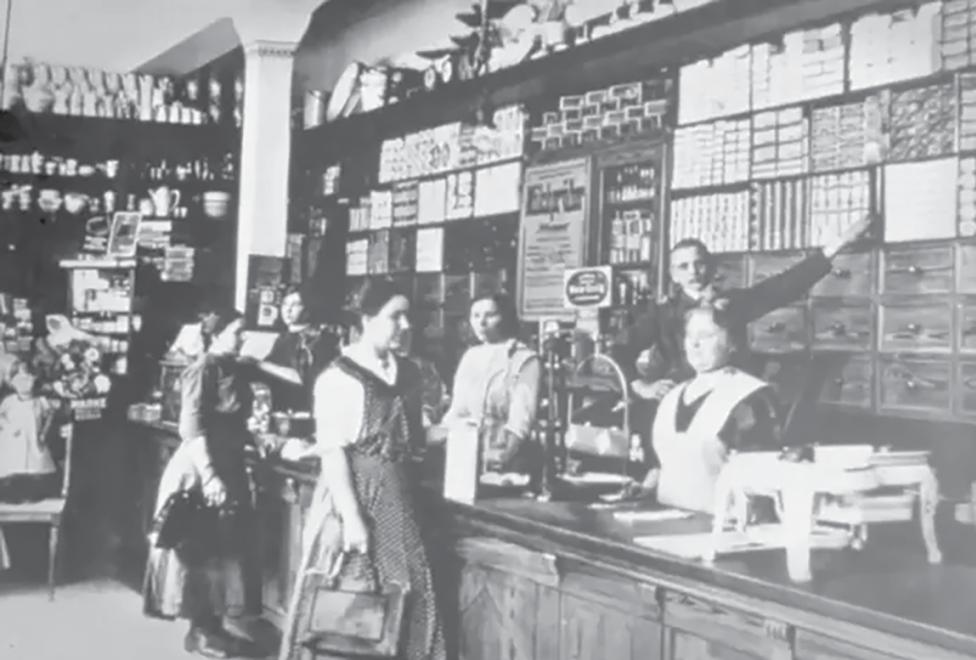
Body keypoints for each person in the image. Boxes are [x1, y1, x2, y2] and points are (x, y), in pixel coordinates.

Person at [279, 279, 445, 660]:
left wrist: (458, 430)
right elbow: (333, 452)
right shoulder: (338, 378)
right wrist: (352, 519)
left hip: (398, 498)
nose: (405, 326)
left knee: (406, 595)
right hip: (353, 495)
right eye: (395, 317)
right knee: (350, 600)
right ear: (367, 319)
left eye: (407, 317)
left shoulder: (409, 373)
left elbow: (413, 436)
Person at [615, 214, 873, 402]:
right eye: (683, 266)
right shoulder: (662, 313)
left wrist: (837, 245)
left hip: (727, 398)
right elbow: (619, 351)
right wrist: (641, 387)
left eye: (699, 263)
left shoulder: (733, 304)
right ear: (673, 275)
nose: (693, 272)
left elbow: (783, 286)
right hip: (680, 401)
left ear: (710, 267)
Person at [143, 308, 261, 659]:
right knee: (199, 550)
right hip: (200, 468)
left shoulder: (232, 367)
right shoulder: (203, 368)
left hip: (228, 463)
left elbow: (233, 420)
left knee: (221, 550)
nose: (242, 338)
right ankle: (199, 632)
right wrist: (209, 476)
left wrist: (254, 440)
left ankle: (212, 628)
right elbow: (191, 429)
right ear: (216, 334)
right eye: (237, 332)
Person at [648, 305, 783, 513]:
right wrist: (647, 485)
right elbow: (666, 462)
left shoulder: (751, 396)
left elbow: (763, 479)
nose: (694, 344)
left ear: (732, 343)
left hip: (723, 524)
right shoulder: (671, 396)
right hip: (663, 521)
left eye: (705, 336)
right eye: (689, 336)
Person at [441, 293, 541, 475]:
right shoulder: (471, 356)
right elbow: (458, 410)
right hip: (468, 453)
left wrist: (505, 455)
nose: (482, 322)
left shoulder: (524, 359)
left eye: (490, 315)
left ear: (505, 317)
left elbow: (521, 419)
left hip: (507, 458)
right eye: (476, 316)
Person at [254, 286, 339, 412]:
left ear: (308, 308)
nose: (288, 310)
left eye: (295, 305)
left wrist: (257, 364)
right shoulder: (284, 338)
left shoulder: (317, 339)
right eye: (285, 304)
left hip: (305, 407)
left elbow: (303, 380)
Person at [0, 358, 63, 503]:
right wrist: (8, 427)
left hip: (33, 438)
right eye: (19, 380)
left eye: (27, 379)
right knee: (12, 465)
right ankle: (11, 494)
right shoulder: (9, 401)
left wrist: (44, 432)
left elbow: (50, 415)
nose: (24, 384)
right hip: (13, 439)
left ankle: (33, 493)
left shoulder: (40, 401)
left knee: (34, 466)